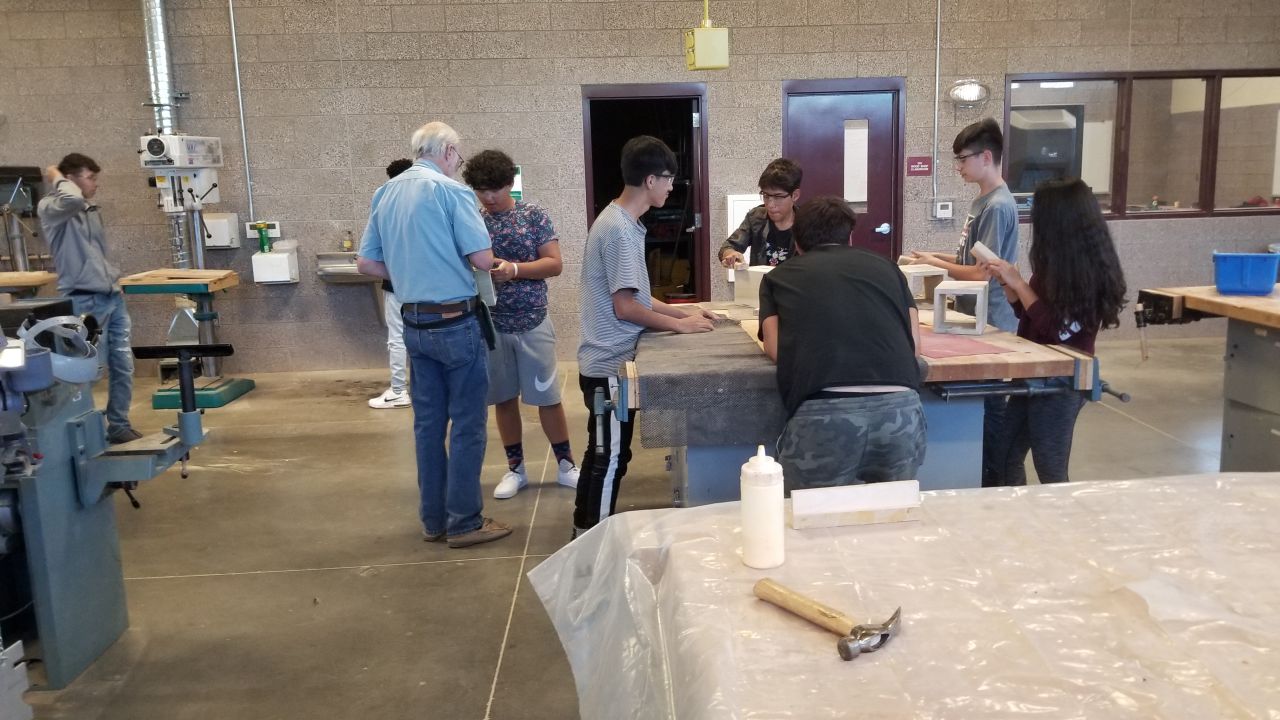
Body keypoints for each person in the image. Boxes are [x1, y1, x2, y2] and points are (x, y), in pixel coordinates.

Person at [357, 122, 511, 549]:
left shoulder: (385, 193)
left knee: (427, 426)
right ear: (446, 151)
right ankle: (464, 522)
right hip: (456, 323)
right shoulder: (452, 192)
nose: (458, 164)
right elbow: (482, 259)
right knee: (467, 425)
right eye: (458, 156)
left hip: (415, 325)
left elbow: (366, 264)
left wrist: (410, 274)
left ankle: (433, 521)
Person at [576, 135, 716, 534]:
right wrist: (680, 326)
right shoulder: (619, 230)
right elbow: (626, 308)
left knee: (606, 453)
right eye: (669, 178)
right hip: (608, 367)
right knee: (608, 458)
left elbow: (637, 295)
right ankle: (591, 540)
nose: (672, 187)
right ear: (651, 180)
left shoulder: (622, 222)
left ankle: (584, 529)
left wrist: (682, 311)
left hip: (610, 363)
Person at [759, 196, 926, 492]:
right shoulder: (889, 269)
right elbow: (914, 345)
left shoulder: (778, 277)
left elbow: (776, 349)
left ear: (797, 241)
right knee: (892, 512)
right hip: (900, 410)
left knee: (810, 515)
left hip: (825, 411)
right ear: (849, 236)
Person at [979, 178, 1126, 485]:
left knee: (1050, 468)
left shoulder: (1088, 274)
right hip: (1033, 371)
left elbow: (1057, 330)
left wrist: (1019, 284)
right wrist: (1009, 284)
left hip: (1061, 379)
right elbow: (1030, 316)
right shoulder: (1053, 264)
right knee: (1004, 456)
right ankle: (1017, 509)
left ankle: (1059, 515)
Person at [460, 150, 580, 499]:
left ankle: (566, 465)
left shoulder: (533, 215)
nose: (489, 197)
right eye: (481, 190)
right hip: (492, 323)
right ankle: (515, 469)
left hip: (533, 319)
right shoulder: (474, 221)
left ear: (509, 184)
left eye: (495, 189)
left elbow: (554, 264)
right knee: (503, 398)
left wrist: (514, 269)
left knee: (548, 397)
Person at [909, 118, 1020, 486]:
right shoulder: (982, 200)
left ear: (986, 157)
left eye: (962, 158)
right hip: (973, 316)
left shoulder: (998, 206)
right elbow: (968, 259)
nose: (958, 166)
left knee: (991, 408)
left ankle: (994, 481)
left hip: (992, 320)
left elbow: (981, 274)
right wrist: (932, 256)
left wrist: (936, 265)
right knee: (979, 407)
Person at [38, 154, 141, 445]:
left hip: (111, 296)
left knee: (123, 365)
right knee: (88, 369)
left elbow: (97, 253)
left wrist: (112, 282)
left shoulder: (89, 208)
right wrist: (56, 176)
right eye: (90, 178)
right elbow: (70, 199)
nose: (95, 184)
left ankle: (119, 425)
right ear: (70, 179)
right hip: (85, 301)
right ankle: (80, 434)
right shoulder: (52, 208)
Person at [368, 157, 415, 409]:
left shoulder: (386, 205)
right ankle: (423, 387)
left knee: (397, 338)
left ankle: (398, 390)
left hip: (396, 283)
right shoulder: (426, 206)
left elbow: (370, 256)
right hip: (427, 285)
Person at [718, 158, 803, 268]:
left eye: (778, 197)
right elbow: (728, 247)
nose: (770, 204)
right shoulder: (755, 217)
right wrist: (731, 255)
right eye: (766, 196)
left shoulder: (807, 223)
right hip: (760, 279)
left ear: (795, 195)